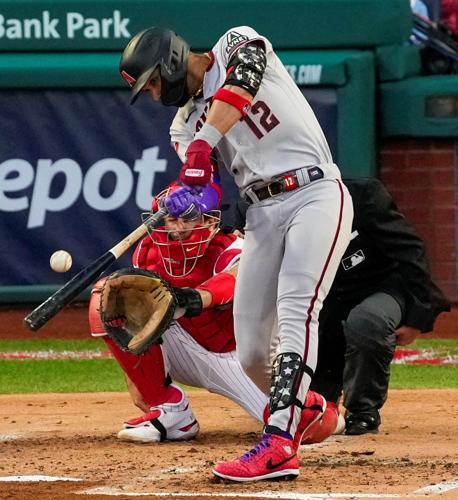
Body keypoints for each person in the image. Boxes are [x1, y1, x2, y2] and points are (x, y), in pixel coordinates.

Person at [119, 25, 353, 482]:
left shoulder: (234, 44)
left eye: (151, 82)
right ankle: (300, 409)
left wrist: (205, 144)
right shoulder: (182, 125)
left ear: (169, 62)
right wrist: (188, 195)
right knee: (250, 354)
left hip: (314, 192)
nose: (152, 93)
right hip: (261, 213)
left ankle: (280, 444)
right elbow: (206, 187)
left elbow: (240, 85)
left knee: (296, 310)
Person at [88, 187, 338, 445]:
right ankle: (171, 411)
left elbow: (238, 278)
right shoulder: (148, 252)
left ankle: (328, 411)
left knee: (306, 428)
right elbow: (133, 321)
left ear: (209, 220)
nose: (179, 227)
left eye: (188, 218)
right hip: (184, 346)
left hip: (239, 356)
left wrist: (197, 297)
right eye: (172, 219)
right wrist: (134, 379)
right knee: (107, 296)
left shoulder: (231, 246)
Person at [235, 177, 451, 435]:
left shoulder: (362, 194)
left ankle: (363, 411)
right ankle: (309, 406)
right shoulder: (263, 208)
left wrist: (418, 317)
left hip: (380, 287)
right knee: (315, 406)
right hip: (326, 302)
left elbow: (410, 251)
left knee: (367, 321)